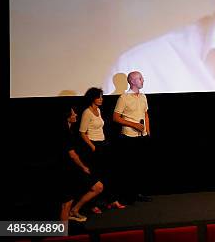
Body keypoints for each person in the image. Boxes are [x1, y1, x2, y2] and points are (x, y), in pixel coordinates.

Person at [79, 87, 125, 211]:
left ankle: (112, 200)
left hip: (103, 144)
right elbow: (82, 132)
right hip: (93, 146)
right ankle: (92, 205)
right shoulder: (87, 112)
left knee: (108, 174)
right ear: (92, 98)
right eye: (98, 97)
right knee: (96, 176)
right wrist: (93, 146)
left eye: (101, 97)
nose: (101, 99)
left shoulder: (98, 110)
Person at [113, 71, 152, 204]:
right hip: (129, 137)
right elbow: (116, 117)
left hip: (142, 136)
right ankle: (128, 196)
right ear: (132, 81)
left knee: (140, 167)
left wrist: (148, 131)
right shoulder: (124, 98)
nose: (143, 80)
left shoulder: (143, 97)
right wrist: (133, 124)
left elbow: (146, 114)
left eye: (142, 78)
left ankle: (138, 194)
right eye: (140, 78)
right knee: (129, 167)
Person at [59, 106, 104, 223]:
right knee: (66, 203)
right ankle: (63, 234)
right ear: (67, 117)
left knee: (98, 187)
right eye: (73, 114)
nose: (76, 115)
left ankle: (75, 210)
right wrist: (83, 167)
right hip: (67, 170)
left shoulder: (71, 130)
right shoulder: (64, 133)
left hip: (74, 168)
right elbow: (72, 155)